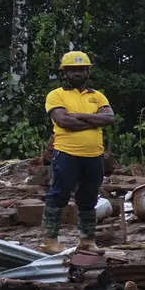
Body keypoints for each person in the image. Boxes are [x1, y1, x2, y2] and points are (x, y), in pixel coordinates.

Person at [43, 50, 115, 253]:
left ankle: (87, 241)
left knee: (89, 197)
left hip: (94, 157)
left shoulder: (97, 96)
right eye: (72, 70)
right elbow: (63, 121)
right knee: (58, 195)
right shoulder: (56, 95)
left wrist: (79, 117)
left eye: (81, 69)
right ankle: (50, 241)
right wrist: (93, 120)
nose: (77, 73)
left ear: (88, 72)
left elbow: (109, 118)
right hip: (66, 154)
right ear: (64, 73)